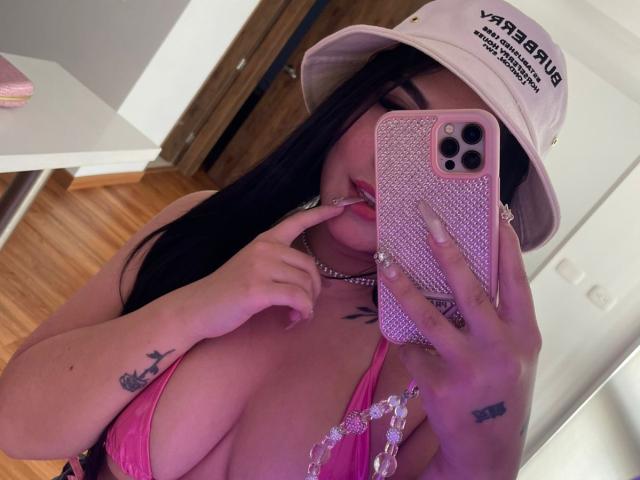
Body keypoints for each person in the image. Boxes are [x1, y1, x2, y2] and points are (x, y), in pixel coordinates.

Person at [0, 0, 567, 479]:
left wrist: (490, 457)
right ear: (350, 104)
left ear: (487, 198)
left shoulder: (438, 374)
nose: (391, 166)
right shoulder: (205, 222)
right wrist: (191, 310)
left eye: (451, 153)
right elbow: (16, 424)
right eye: (394, 111)